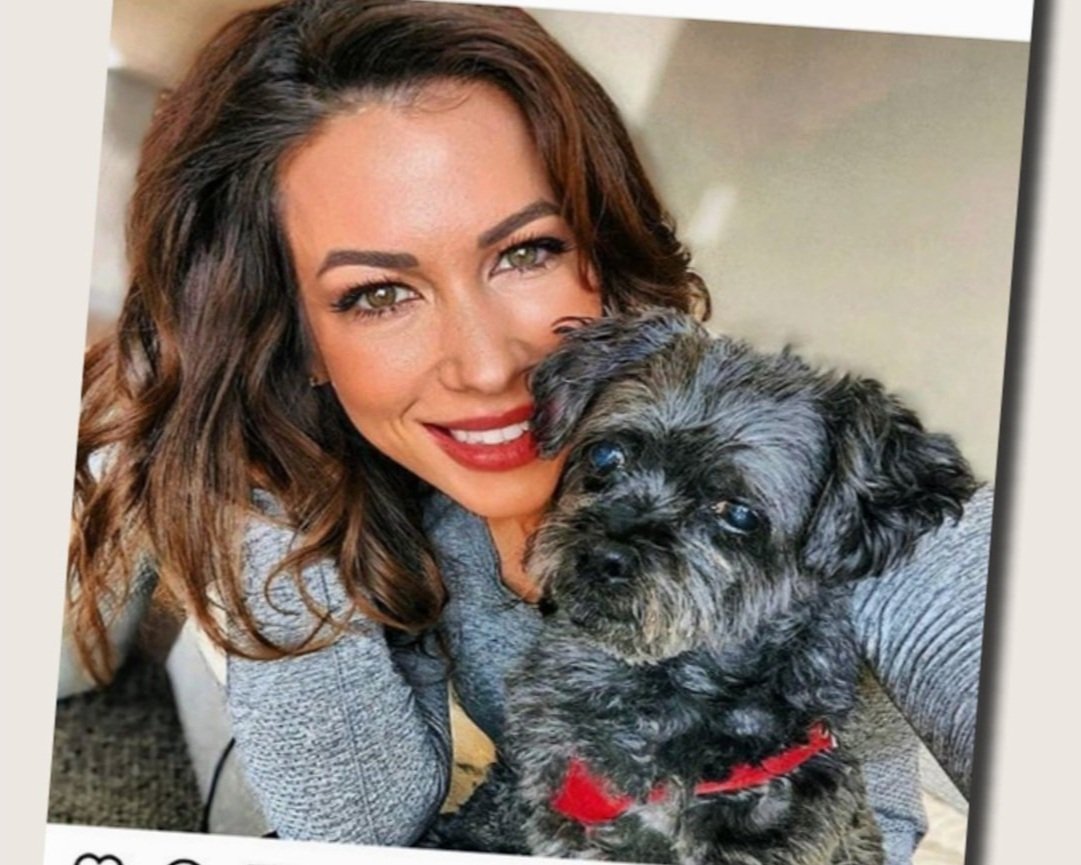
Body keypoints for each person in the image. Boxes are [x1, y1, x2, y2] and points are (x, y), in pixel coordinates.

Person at [66, 0, 991, 862]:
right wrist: (253, 460)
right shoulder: (395, 503)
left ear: (601, 246)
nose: (483, 366)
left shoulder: (819, 463)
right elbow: (358, 829)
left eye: (526, 250)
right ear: (292, 337)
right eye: (377, 293)